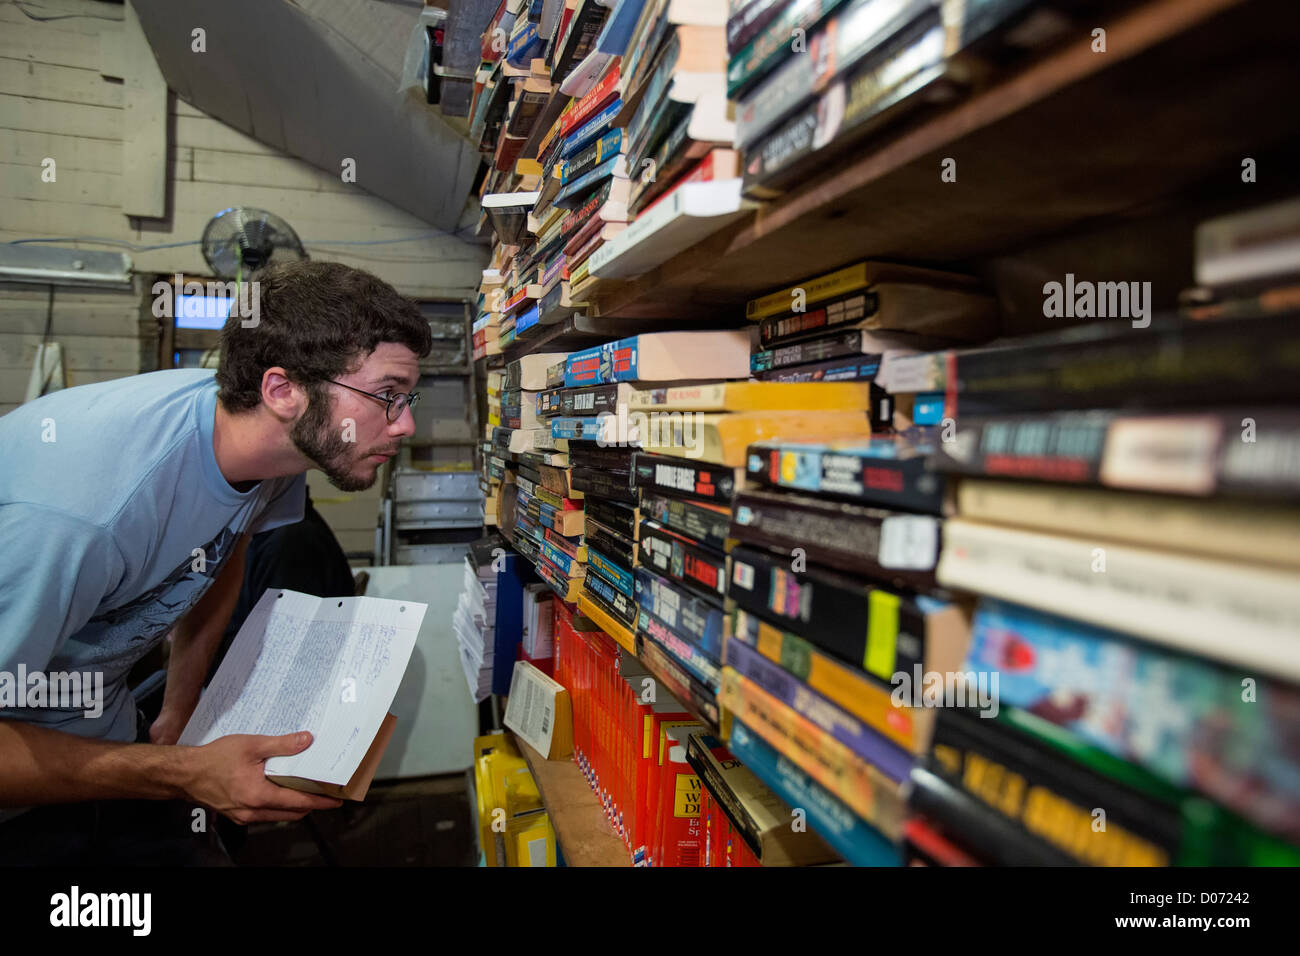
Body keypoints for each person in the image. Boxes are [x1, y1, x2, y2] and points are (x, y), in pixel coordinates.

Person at [0, 260, 431, 863]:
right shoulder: (80, 519)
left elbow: (224, 552)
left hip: (107, 736)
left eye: (408, 397)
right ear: (282, 391)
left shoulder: (272, 453)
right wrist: (181, 771)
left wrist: (180, 710)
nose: (406, 422)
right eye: (386, 396)